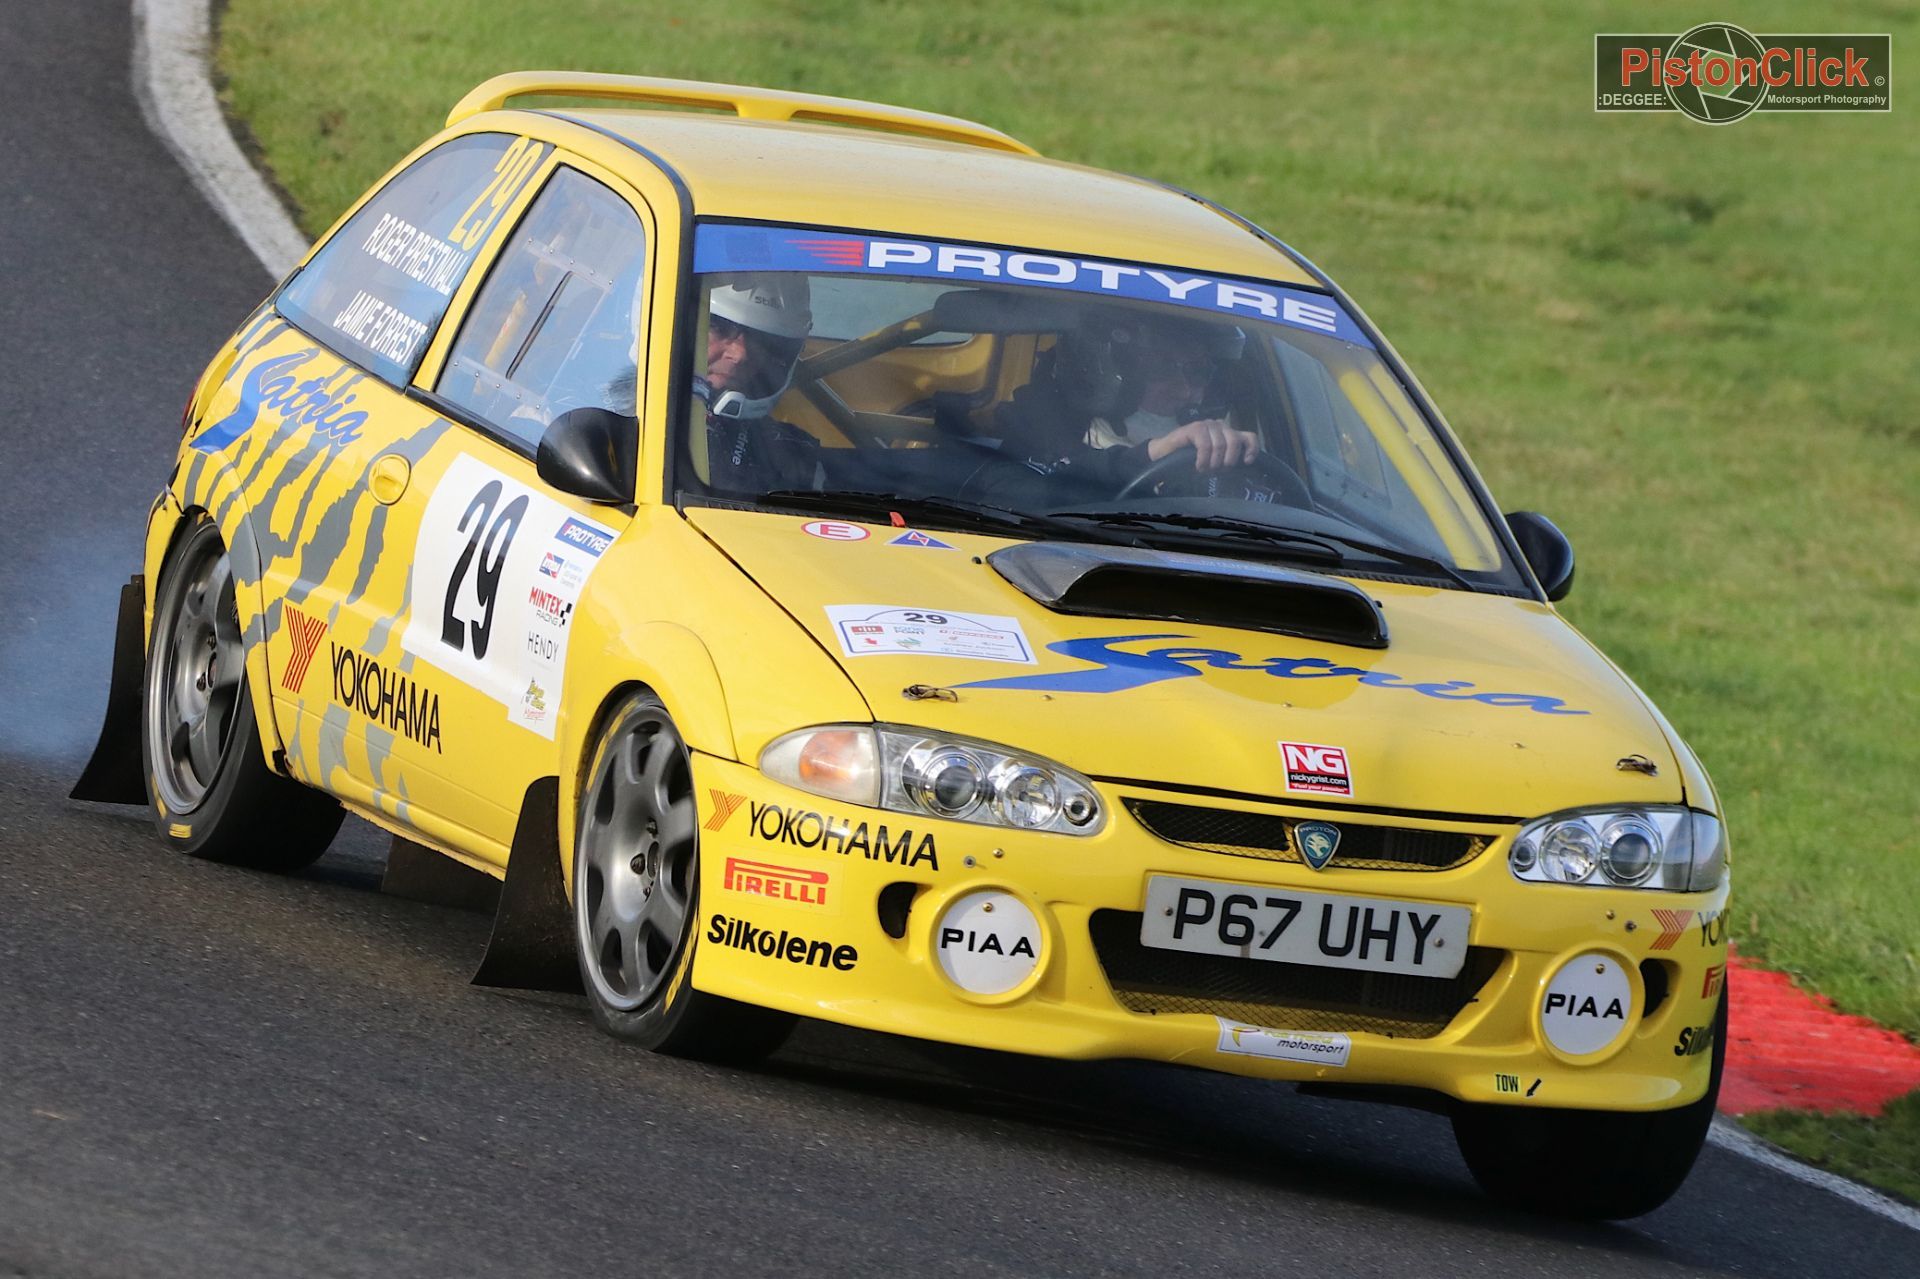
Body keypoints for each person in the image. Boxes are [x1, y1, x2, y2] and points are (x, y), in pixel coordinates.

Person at [1002, 311, 1260, 492]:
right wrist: (1154, 454)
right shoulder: (1036, 426)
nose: (1183, 391)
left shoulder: (1227, 450)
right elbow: (1044, 495)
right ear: (1099, 369)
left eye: (1198, 372)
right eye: (1162, 369)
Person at [694, 274, 823, 492]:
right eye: (721, 328)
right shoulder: (627, 419)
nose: (740, 354)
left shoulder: (791, 458)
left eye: (760, 341)